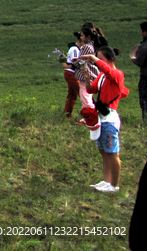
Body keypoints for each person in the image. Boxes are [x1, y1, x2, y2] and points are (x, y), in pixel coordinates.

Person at [83, 46, 129, 193]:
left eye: (101, 59)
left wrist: (94, 59)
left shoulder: (117, 74)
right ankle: (106, 181)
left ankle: (114, 185)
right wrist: (88, 80)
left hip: (110, 119)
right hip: (100, 119)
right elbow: (92, 90)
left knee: (112, 153)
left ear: (109, 60)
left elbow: (109, 71)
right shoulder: (102, 76)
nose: (98, 63)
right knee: (104, 151)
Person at [129, 22, 147, 123]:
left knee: (144, 100)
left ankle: (146, 121)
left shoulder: (143, 47)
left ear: (144, 32)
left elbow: (140, 62)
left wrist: (134, 60)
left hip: (145, 78)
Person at [61, 32, 81, 117]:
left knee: (72, 94)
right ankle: (90, 112)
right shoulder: (75, 49)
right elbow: (75, 62)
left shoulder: (75, 49)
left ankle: (67, 113)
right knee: (81, 92)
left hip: (72, 72)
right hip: (71, 73)